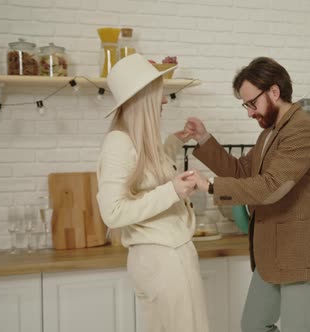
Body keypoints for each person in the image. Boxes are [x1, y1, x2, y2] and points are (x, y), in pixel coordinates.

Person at [184, 57, 310, 332]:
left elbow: (271, 186)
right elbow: (242, 171)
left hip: (301, 253)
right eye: (246, 105)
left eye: (251, 103)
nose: (249, 112)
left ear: (274, 92)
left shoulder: (303, 129)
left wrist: (210, 186)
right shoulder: (270, 133)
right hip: (272, 254)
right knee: (254, 325)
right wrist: (205, 139)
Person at [96, 53, 209, 332]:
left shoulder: (138, 140)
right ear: (143, 97)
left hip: (167, 255)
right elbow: (112, 212)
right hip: (162, 260)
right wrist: (173, 191)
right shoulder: (118, 143)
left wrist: (174, 142)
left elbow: (146, 173)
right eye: (159, 92)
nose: (164, 100)